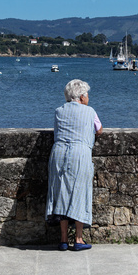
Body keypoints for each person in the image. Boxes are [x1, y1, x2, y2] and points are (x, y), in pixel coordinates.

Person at [45, 79, 103, 251]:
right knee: (80, 193)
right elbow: (99, 130)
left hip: (59, 153)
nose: (88, 98)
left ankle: (63, 240)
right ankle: (78, 239)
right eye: (87, 95)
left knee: (61, 193)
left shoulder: (59, 111)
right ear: (82, 96)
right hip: (80, 153)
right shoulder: (90, 111)